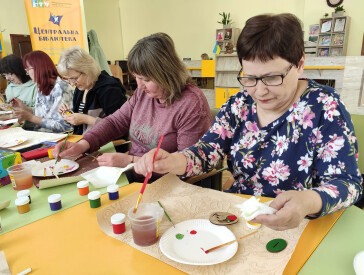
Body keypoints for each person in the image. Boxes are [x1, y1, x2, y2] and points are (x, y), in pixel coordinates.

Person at [134, 14, 363, 231]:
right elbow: (207, 152)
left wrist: (308, 201)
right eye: (250, 78)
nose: (260, 91)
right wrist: (173, 160)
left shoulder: (325, 107)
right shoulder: (239, 105)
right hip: (244, 216)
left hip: (303, 224)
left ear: (300, 64)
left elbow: (348, 183)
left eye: (272, 77)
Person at [53, 32, 212, 182]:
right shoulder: (144, 93)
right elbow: (115, 122)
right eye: (136, 77)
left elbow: (186, 165)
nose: (140, 85)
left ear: (167, 74)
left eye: (146, 79)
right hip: (129, 176)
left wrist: (131, 161)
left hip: (163, 186)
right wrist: (81, 145)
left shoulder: (191, 104)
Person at [57, 46, 127, 135]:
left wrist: (85, 119)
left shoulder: (109, 89)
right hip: (84, 141)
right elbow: (81, 127)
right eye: (68, 79)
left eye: (74, 78)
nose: (72, 84)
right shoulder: (81, 89)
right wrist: (68, 115)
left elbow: (121, 126)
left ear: (87, 70)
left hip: (106, 144)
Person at [10, 51, 74, 133]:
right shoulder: (42, 86)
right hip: (42, 134)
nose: (28, 74)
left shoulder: (61, 88)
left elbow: (64, 127)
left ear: (38, 68)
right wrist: (25, 108)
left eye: (28, 70)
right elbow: (44, 114)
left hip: (57, 138)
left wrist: (30, 117)